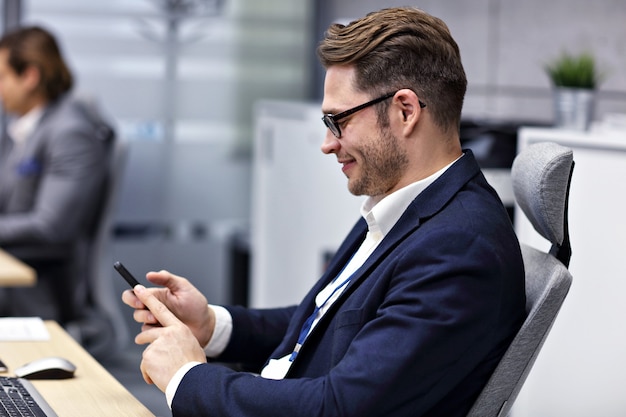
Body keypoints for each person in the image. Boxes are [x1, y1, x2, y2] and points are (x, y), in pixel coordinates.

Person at [122, 7, 526, 417]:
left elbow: (342, 409)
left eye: (338, 120)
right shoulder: (407, 207)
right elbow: (325, 324)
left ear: (405, 111)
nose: (327, 143)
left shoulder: (458, 248)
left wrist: (186, 378)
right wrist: (211, 325)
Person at [0, 26, 114, 327]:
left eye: (2, 77)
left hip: (42, 283)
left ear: (30, 76)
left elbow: (50, 225)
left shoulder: (69, 131)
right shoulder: (25, 129)